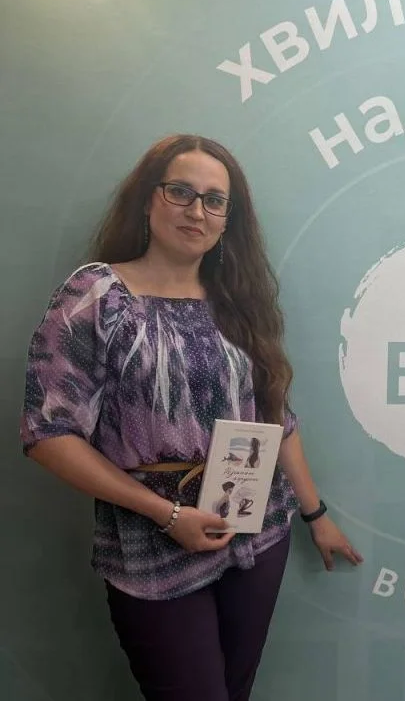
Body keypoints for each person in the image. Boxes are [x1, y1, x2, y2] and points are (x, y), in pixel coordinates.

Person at [20, 134, 364, 701]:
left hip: (257, 533)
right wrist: (168, 513)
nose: (197, 211)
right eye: (180, 192)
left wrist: (315, 513)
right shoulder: (97, 294)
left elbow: (275, 416)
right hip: (151, 546)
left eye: (214, 200)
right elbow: (47, 434)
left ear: (227, 220)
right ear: (147, 200)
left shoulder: (238, 301)